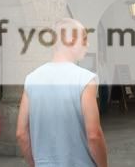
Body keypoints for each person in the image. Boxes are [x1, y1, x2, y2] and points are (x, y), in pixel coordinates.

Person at [16, 18, 108, 167]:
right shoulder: (85, 79)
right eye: (84, 39)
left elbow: (21, 134)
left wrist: (34, 164)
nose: (88, 44)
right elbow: (94, 135)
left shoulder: (31, 79)